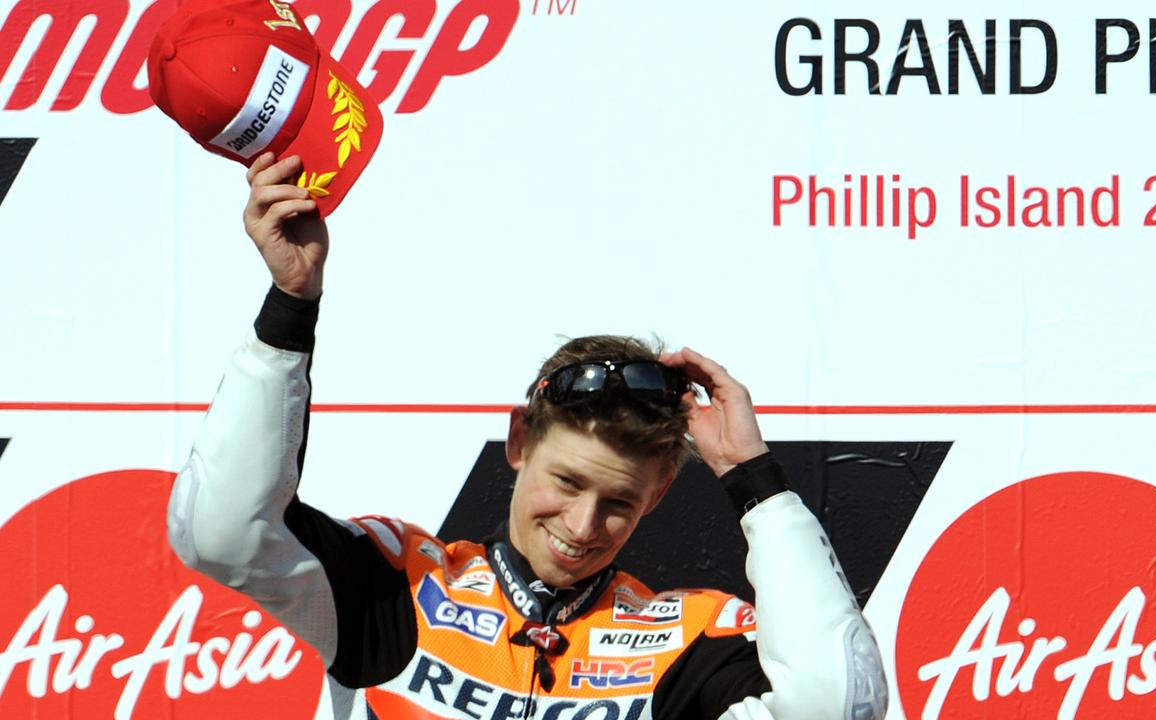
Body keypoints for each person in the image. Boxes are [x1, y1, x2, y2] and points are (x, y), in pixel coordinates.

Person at [167, 152, 889, 720]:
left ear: (660, 492)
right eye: (568, 482)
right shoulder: (405, 588)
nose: (582, 526)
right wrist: (291, 308)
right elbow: (218, 530)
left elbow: (840, 705)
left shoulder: (681, 641)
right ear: (518, 441)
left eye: (618, 501)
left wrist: (754, 480)